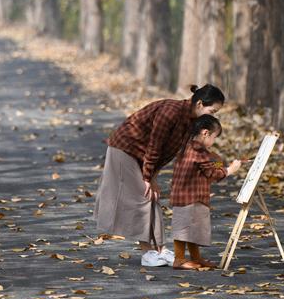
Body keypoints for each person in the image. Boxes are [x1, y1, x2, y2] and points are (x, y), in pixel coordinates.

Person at [94, 84, 225, 267]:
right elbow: (155, 146)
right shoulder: (170, 112)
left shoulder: (190, 120)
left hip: (143, 155)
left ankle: (159, 250)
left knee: (152, 196)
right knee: (144, 196)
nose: (212, 116)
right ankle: (148, 253)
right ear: (200, 103)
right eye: (212, 110)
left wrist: (153, 175)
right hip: (126, 148)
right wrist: (148, 178)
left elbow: (169, 151)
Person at [170, 114, 241, 269]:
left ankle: (196, 257)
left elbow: (212, 163)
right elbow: (212, 173)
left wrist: (218, 161)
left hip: (190, 195)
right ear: (205, 133)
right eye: (214, 137)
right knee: (183, 228)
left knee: (193, 228)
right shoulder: (199, 152)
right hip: (189, 196)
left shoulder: (190, 146)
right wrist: (230, 170)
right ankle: (179, 259)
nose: (214, 142)